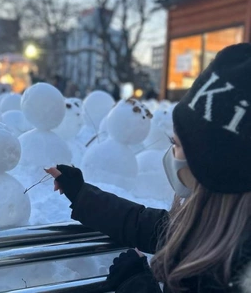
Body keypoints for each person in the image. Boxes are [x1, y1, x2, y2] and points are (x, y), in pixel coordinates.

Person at [45, 43, 251, 293]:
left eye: (175, 143)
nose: (170, 154)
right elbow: (152, 227)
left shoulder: (235, 274)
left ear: (216, 164)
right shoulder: (218, 226)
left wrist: (137, 285)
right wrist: (82, 195)